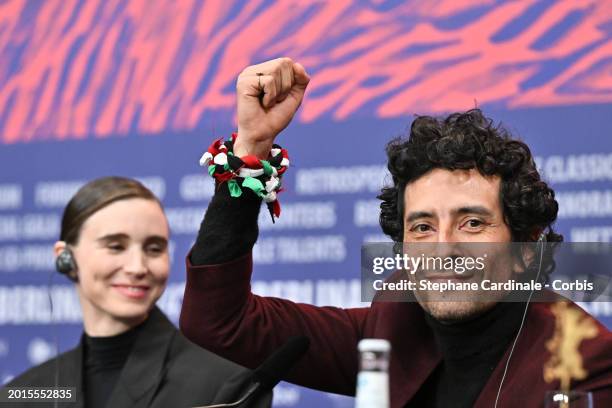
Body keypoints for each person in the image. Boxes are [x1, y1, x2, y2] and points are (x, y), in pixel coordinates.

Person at [179, 58, 612, 407]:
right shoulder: (395, 325)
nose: (443, 249)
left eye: (473, 223)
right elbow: (219, 323)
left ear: (526, 248)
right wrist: (252, 149)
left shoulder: (582, 358)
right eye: (422, 227)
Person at [3, 177, 271, 408]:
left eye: (154, 249)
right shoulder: (22, 392)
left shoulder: (227, 385)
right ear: (66, 258)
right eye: (116, 246)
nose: (137, 267)